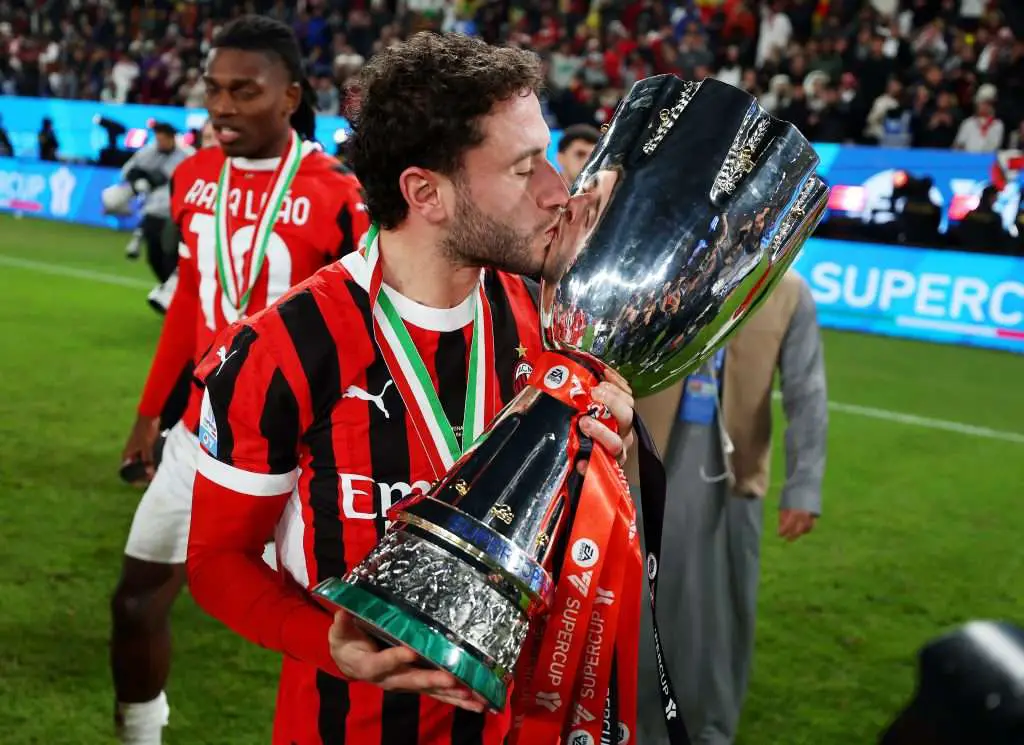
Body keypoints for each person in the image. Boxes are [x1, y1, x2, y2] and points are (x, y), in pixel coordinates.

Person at [186, 31, 636, 745]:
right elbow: (216, 562)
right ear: (425, 192)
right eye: (525, 168)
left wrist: (605, 454)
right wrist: (325, 643)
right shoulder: (283, 350)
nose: (558, 190)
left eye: (548, 157)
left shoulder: (547, 326)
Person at [110, 16, 370, 745]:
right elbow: (191, 301)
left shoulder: (338, 192)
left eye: (244, 91)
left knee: (331, 633)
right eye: (214, 89)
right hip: (201, 434)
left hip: (302, 450)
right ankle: (139, 735)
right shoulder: (194, 176)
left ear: (291, 96)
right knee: (135, 602)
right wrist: (150, 414)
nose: (222, 107)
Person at [630, 270, 827, 745]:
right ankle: (623, 721)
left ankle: (709, 729)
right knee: (634, 602)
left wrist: (803, 486)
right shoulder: (665, 270)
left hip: (734, 474)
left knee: (722, 613)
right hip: (641, 461)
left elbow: (806, 390)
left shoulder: (788, 291)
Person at [117, 122, 195, 313]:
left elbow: (183, 178)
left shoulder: (186, 155)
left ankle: (175, 297)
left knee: (172, 256)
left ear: (172, 138)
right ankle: (169, 292)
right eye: (158, 139)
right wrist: (137, 179)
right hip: (153, 211)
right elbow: (128, 170)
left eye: (163, 139)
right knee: (154, 256)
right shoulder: (148, 152)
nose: (160, 143)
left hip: (176, 214)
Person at [556, 123, 600, 187]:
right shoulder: (543, 191)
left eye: (594, 156)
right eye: (580, 154)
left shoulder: (608, 190)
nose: (588, 162)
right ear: (561, 158)